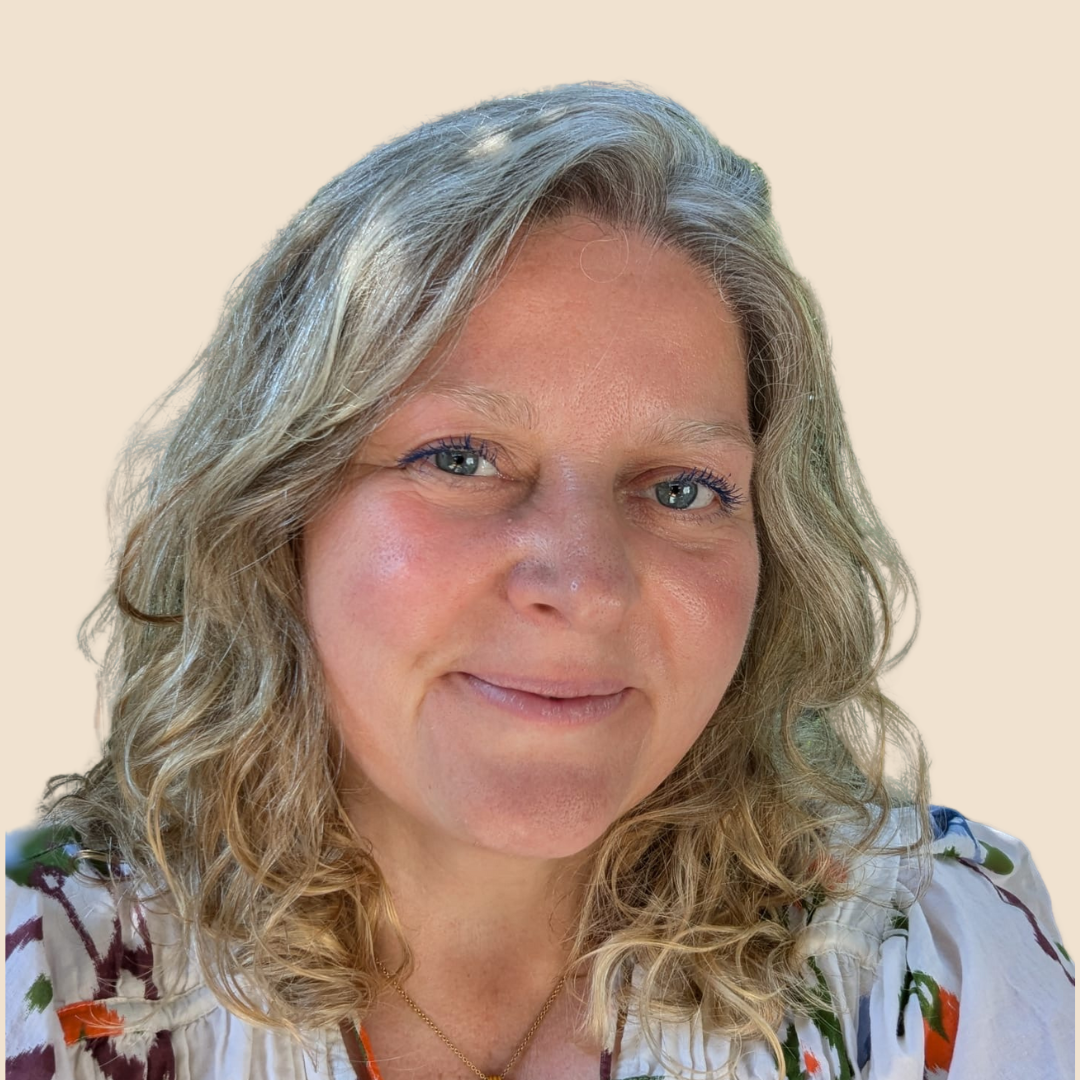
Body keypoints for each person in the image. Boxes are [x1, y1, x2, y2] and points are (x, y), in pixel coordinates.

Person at [5, 82, 1073, 1080]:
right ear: (275, 516)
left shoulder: (930, 951)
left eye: (684, 488)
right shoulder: (41, 975)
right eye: (462, 458)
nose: (587, 583)